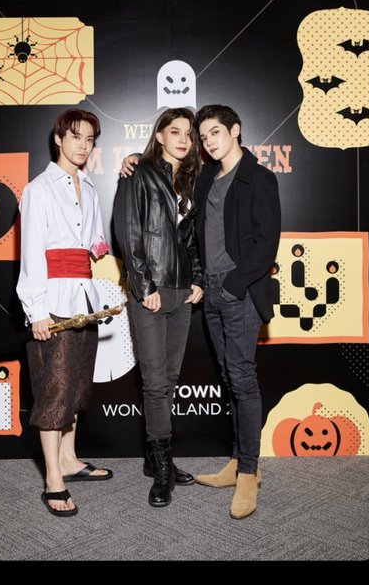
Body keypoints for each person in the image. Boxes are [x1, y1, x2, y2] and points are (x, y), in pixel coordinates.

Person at [121, 104, 281, 519]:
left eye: (213, 133)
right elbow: (163, 211)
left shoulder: (259, 178)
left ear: (235, 130)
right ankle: (236, 461)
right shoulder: (205, 177)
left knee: (242, 379)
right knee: (228, 377)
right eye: (202, 135)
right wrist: (134, 159)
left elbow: (267, 244)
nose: (206, 141)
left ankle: (249, 472)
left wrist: (231, 284)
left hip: (238, 292)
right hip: (207, 293)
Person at [16, 108, 113, 518]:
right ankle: (53, 478)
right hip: (52, 302)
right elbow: (31, 254)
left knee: (76, 387)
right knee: (53, 392)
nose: (83, 146)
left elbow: (94, 242)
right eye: (76, 137)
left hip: (84, 300)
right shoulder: (38, 189)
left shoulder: (89, 187)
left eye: (90, 140)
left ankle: (70, 460)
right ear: (59, 139)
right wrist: (36, 310)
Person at [113, 108, 204, 507]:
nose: (183, 139)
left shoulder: (190, 180)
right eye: (175, 131)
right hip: (151, 292)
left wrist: (197, 279)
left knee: (169, 376)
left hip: (181, 293)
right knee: (153, 382)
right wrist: (144, 285)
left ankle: (155, 459)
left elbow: (190, 238)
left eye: (189, 133)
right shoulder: (139, 172)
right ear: (160, 135)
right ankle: (163, 467)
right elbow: (128, 232)